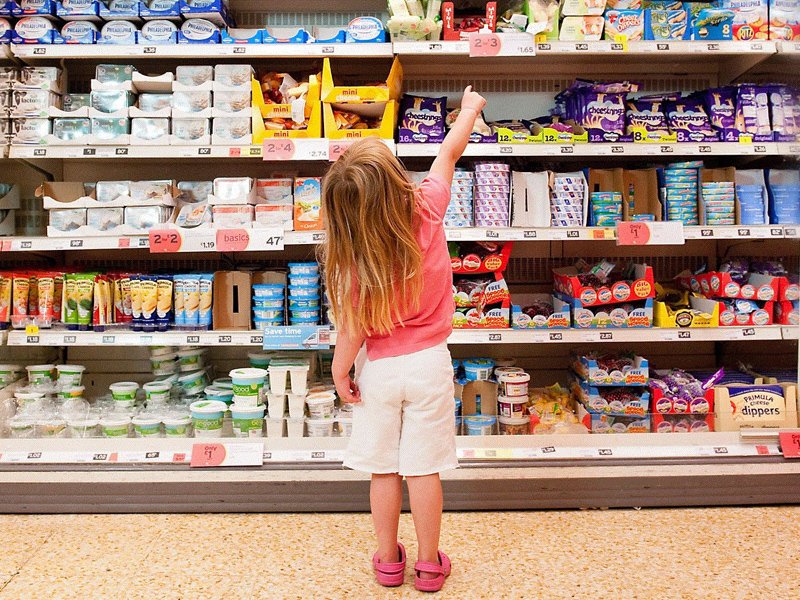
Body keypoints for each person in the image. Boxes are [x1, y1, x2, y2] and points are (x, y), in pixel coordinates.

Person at [321, 86, 487, 593]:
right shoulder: (428, 207)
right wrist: (471, 108)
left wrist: (338, 369)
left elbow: (351, 328)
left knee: (383, 471)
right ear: (398, 180)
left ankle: (389, 560)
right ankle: (431, 563)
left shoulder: (352, 257)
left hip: (381, 371)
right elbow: (449, 151)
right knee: (425, 470)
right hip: (431, 365)